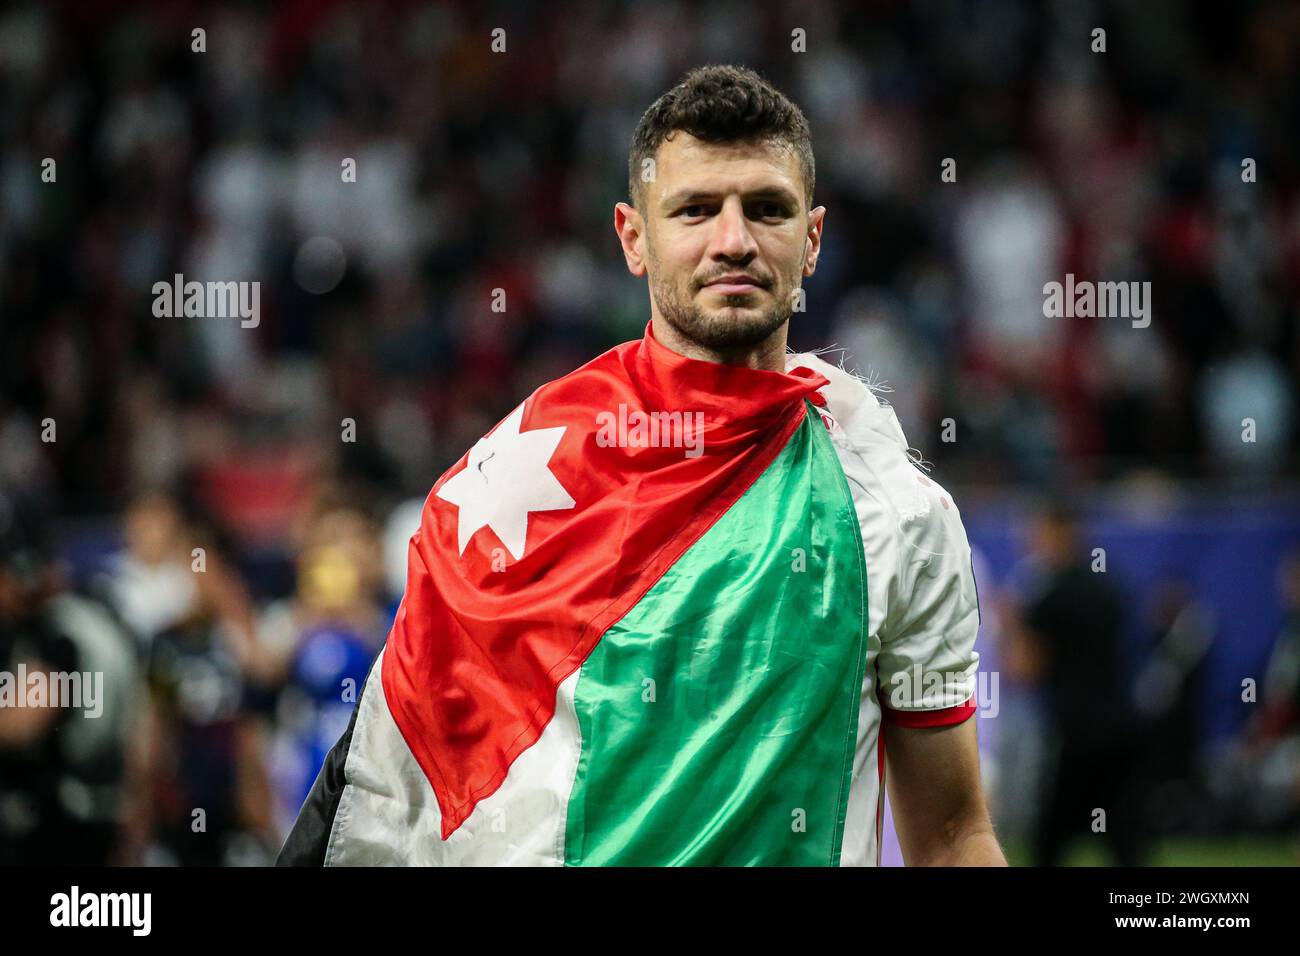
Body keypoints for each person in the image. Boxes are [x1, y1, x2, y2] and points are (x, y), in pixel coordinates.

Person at [280, 64, 1004, 867]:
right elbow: (404, 780)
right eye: (695, 210)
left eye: (767, 209)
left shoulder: (898, 512)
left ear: (813, 239)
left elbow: (950, 837)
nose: (734, 241)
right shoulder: (518, 476)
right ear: (633, 236)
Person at [1012, 498, 1149, 866]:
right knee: (1126, 840)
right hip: (1120, 729)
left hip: (1074, 735)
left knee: (1049, 841)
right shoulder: (1110, 587)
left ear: (1059, 533)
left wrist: (1010, 623)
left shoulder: (1048, 597)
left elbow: (1023, 670)